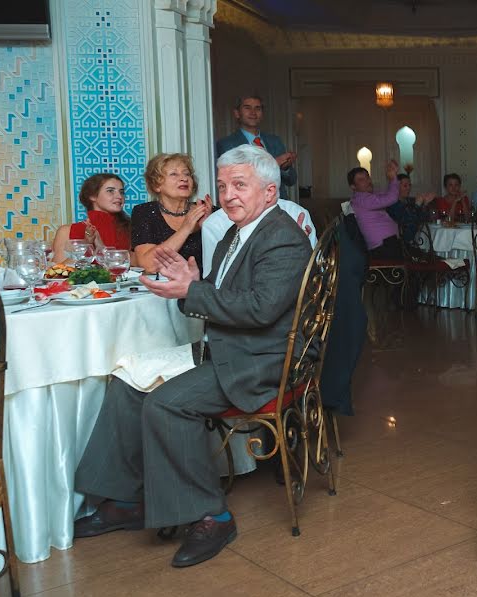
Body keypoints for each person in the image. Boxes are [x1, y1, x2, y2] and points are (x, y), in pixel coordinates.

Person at [73, 144, 311, 568]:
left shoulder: (283, 239)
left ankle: (212, 515)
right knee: (129, 379)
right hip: (229, 346)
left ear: (270, 192)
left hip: (261, 360)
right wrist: (191, 287)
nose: (229, 195)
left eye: (240, 185)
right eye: (222, 186)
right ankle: (128, 500)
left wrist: (194, 290)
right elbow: (216, 299)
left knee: (166, 404)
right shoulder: (238, 233)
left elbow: (259, 309)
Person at [132, 153, 211, 273]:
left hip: (206, 288)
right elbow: (149, 266)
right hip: (163, 288)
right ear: (157, 185)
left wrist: (211, 225)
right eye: (174, 174)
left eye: (187, 174)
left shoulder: (208, 211)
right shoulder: (144, 212)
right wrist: (186, 228)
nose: (184, 178)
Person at [201, 196, 316, 277]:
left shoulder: (295, 212)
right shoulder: (215, 224)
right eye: (222, 186)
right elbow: (214, 285)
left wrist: (299, 248)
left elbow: (317, 274)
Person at [215, 95, 297, 188]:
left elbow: (291, 181)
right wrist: (273, 163)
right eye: (247, 108)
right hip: (245, 201)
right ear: (237, 113)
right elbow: (234, 179)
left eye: (257, 108)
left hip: (277, 201)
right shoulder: (226, 144)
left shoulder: (275, 141)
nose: (253, 112)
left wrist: (285, 167)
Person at [52, 173, 132, 263]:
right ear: (92, 196)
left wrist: (101, 247)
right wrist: (86, 246)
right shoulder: (67, 231)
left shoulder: (131, 228)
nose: (119, 196)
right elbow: (57, 272)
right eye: (110, 191)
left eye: (121, 192)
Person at [349, 160, 403, 261]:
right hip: (383, 249)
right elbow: (391, 198)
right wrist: (392, 178)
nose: (367, 181)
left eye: (367, 177)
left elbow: (386, 196)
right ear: (353, 187)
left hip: (386, 246)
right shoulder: (361, 200)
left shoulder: (366, 197)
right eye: (361, 179)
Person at [387, 174, 435, 245]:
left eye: (410, 185)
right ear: (396, 187)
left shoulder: (409, 201)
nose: (408, 188)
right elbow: (407, 221)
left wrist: (425, 204)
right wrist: (417, 205)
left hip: (418, 239)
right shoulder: (392, 204)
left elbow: (423, 219)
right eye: (405, 186)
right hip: (403, 243)